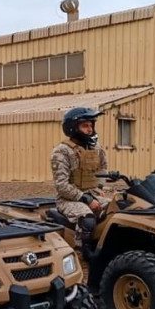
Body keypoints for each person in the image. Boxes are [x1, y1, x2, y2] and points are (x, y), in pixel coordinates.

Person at [50, 107, 110, 254]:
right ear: (72, 128)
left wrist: (100, 188)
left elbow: (103, 168)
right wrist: (86, 199)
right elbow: (61, 185)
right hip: (69, 200)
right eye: (85, 126)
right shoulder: (62, 151)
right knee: (87, 218)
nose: (90, 129)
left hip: (92, 194)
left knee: (115, 209)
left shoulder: (96, 149)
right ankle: (82, 252)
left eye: (91, 125)